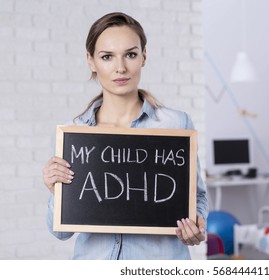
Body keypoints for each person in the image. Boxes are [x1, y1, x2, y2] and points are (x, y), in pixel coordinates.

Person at [42, 12, 208, 259]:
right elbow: (61, 233)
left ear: (143, 57)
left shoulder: (175, 124)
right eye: (107, 57)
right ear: (91, 61)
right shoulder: (75, 133)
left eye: (130, 54)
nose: (120, 67)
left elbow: (197, 196)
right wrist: (56, 190)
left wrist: (197, 222)